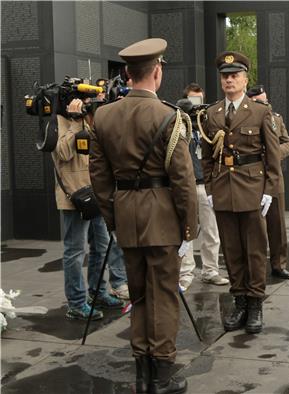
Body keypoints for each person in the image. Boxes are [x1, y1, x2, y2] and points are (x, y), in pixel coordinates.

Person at [90, 38, 197, 394]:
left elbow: (99, 177)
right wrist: (188, 226)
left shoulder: (103, 115)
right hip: (163, 218)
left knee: (137, 296)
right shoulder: (169, 115)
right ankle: (163, 373)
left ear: (126, 73)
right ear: (157, 72)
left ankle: (142, 368)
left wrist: (113, 217)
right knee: (163, 294)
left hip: (127, 217)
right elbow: (182, 178)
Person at [201, 51, 281, 334]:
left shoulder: (260, 112)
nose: (229, 80)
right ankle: (240, 302)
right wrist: (210, 188)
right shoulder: (211, 114)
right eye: (225, 76)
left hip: (252, 187)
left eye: (234, 75)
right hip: (223, 187)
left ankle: (256, 303)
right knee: (232, 250)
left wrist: (269, 191)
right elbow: (207, 157)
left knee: (255, 251)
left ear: (246, 79)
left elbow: (273, 156)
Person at [53, 97, 126, 322]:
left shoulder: (88, 120)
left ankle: (98, 292)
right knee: (75, 251)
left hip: (96, 194)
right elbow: (63, 154)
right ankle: (76, 303)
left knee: (102, 246)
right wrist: (75, 122)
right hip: (74, 197)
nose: (84, 103)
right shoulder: (57, 122)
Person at [178, 83, 229, 290]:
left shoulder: (207, 121)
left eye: (199, 100)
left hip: (205, 184)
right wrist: (183, 115)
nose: (196, 106)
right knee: (187, 231)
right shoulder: (178, 121)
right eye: (192, 100)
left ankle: (210, 270)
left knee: (211, 229)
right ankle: (185, 272)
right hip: (187, 184)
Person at [246, 85, 289, 280]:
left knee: (277, 225)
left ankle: (279, 264)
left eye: (266, 101)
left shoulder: (276, 118)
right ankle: (253, 267)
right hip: (250, 177)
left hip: (273, 177)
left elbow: (288, 143)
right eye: (260, 102)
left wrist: (275, 154)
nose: (264, 105)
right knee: (252, 226)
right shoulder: (244, 117)